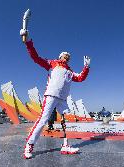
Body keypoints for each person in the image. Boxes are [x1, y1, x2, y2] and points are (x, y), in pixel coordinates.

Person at [20, 29, 91, 159]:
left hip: (62, 99)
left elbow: (81, 78)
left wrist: (86, 67)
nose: (67, 57)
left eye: (68, 57)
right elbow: (35, 57)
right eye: (65, 55)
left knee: (64, 122)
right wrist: (28, 41)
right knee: (43, 120)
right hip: (51, 95)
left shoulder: (70, 71)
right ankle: (29, 145)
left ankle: (65, 146)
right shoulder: (52, 63)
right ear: (60, 56)